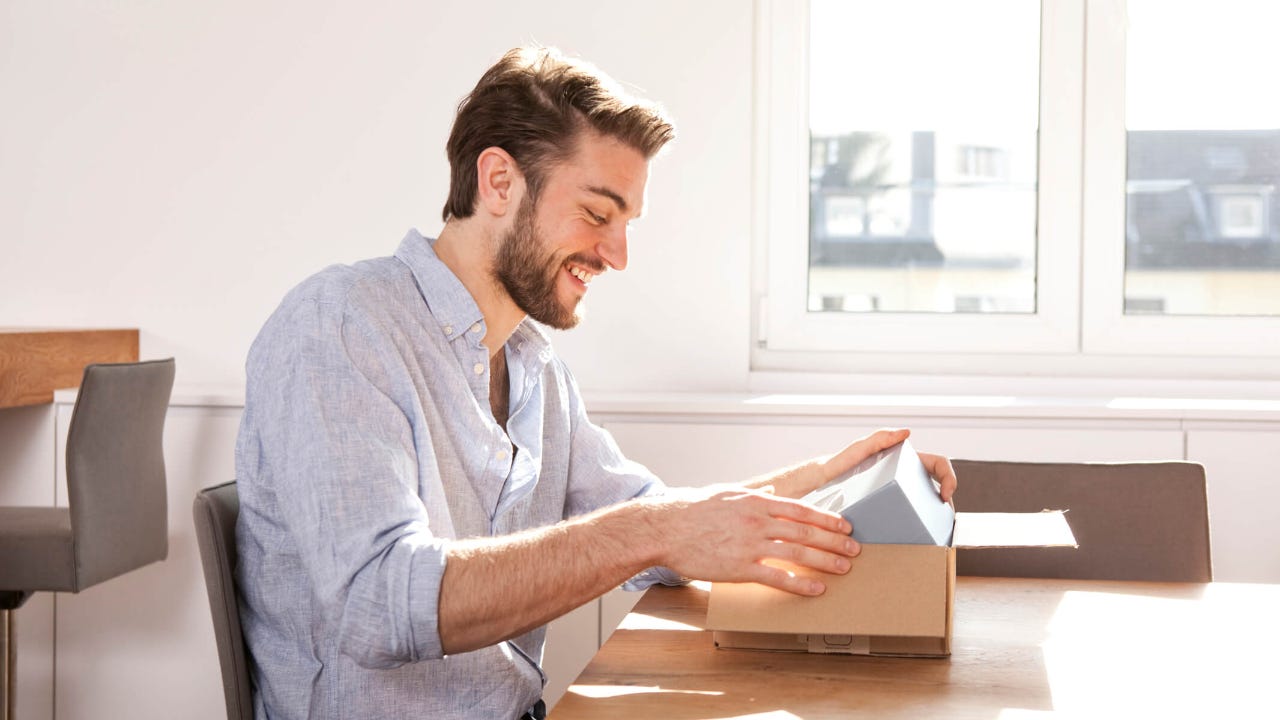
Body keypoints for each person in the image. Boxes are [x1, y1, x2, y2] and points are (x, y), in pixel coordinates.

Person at [234, 45, 957, 720]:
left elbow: (654, 522)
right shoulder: (339, 327)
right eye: (596, 213)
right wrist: (649, 531)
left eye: (626, 223)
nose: (616, 253)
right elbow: (378, 601)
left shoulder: (532, 366)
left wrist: (827, 486)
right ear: (498, 181)